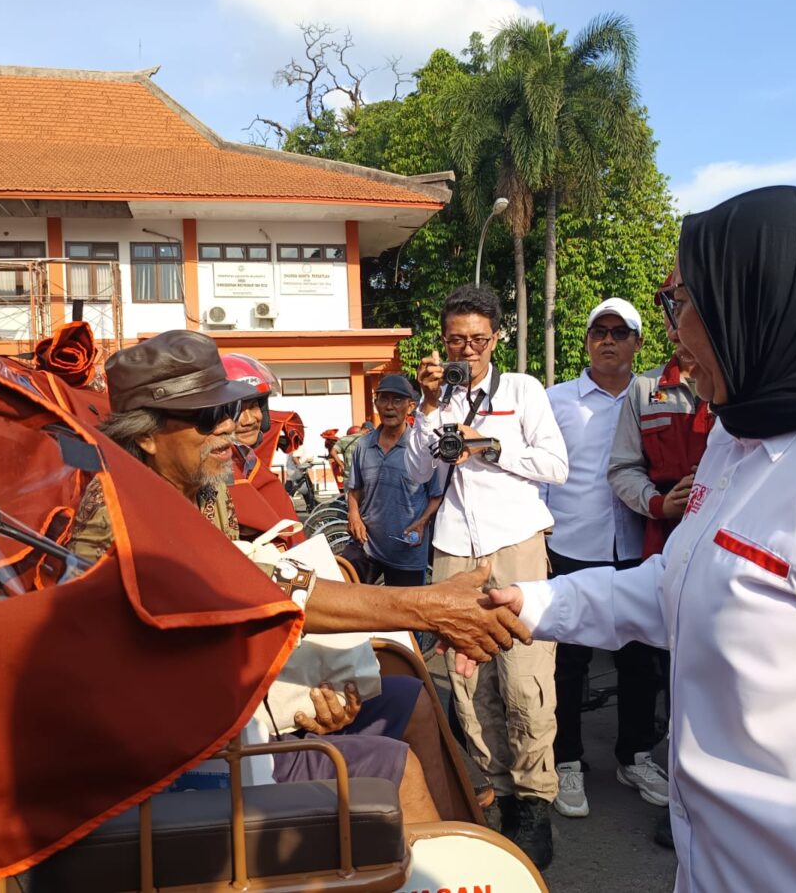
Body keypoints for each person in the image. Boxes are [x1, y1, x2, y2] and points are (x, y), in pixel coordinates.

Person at [483, 186, 796, 890]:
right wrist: (524, 604)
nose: (672, 331)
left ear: (763, 301)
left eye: (684, 301)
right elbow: (680, 584)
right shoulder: (737, 436)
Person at [69, 331, 532, 822]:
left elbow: (246, 600)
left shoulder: (207, 487)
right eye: (209, 417)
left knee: (411, 696)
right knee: (395, 769)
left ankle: (466, 842)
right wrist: (429, 606)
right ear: (145, 435)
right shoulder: (122, 510)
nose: (231, 427)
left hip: (236, 698)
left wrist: (311, 686)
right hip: (182, 752)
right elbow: (255, 592)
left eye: (234, 408)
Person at [405, 284, 568, 869]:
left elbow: (557, 465)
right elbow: (417, 469)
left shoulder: (523, 390)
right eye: (456, 340)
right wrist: (427, 409)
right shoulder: (437, 399)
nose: (466, 350)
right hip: (453, 547)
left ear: (496, 337)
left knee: (524, 676)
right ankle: (498, 790)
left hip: (516, 541)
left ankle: (534, 800)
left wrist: (489, 446)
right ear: (443, 341)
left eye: (477, 340)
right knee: (469, 685)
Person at [542, 297, 660, 821]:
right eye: (599, 331)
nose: (608, 340)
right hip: (573, 546)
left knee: (640, 659)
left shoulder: (653, 398)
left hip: (635, 545)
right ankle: (567, 759)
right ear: (587, 341)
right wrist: (542, 544)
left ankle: (633, 755)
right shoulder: (557, 400)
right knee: (569, 663)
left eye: (620, 332)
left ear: (637, 342)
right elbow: (543, 476)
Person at [607, 293, 717, 848]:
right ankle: (679, 798)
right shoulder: (645, 391)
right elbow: (622, 467)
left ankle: (703, 802)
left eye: (683, 316)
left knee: (708, 676)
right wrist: (656, 502)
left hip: (727, 551)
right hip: (664, 545)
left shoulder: (733, 381)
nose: (678, 332)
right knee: (662, 671)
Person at [343, 374, 443, 586]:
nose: (389, 406)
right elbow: (354, 489)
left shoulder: (421, 449)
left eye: (397, 400)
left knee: (404, 617)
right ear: (375, 403)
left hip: (407, 551)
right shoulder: (363, 446)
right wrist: (353, 514)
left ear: (410, 406)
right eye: (384, 399)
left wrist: (422, 523)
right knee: (349, 603)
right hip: (367, 545)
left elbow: (436, 496)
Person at [221, 352, 305, 538]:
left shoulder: (244, 459)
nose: (249, 420)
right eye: (236, 409)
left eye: (252, 406)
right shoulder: (219, 468)